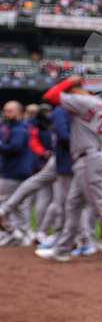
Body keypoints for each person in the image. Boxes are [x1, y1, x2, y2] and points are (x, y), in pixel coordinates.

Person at [34, 77, 102, 263]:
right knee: (72, 205)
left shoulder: (83, 100)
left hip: (89, 158)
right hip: (92, 156)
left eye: (69, 91)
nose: (67, 96)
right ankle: (62, 250)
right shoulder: (97, 101)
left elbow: (50, 95)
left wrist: (68, 81)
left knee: (100, 205)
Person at [0, 101, 33, 245]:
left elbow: (15, 147)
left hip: (13, 171)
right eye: (6, 111)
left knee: (2, 201)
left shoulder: (19, 129)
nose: (7, 114)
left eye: (10, 111)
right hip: (20, 170)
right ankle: (23, 235)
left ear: (19, 112)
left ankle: (11, 231)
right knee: (19, 205)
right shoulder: (14, 127)